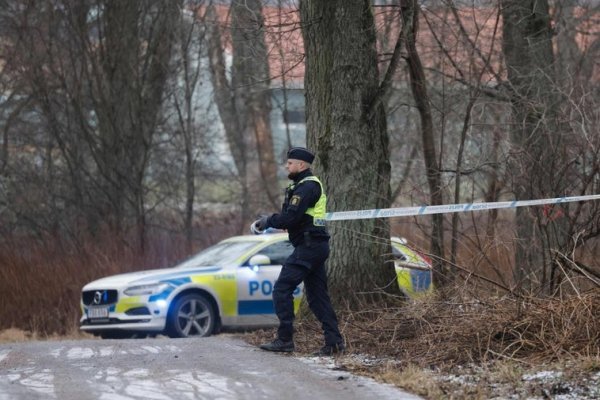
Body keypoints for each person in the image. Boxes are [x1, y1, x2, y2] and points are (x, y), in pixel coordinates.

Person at [253, 147, 345, 356]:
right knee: (317, 297)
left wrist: (268, 221)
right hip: (313, 245)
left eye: (291, 163)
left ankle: (285, 339)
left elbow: (291, 218)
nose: (287, 166)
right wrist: (279, 220)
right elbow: (295, 218)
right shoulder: (301, 185)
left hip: (309, 246)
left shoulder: (307, 186)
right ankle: (334, 343)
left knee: (282, 289)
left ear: (301, 165)